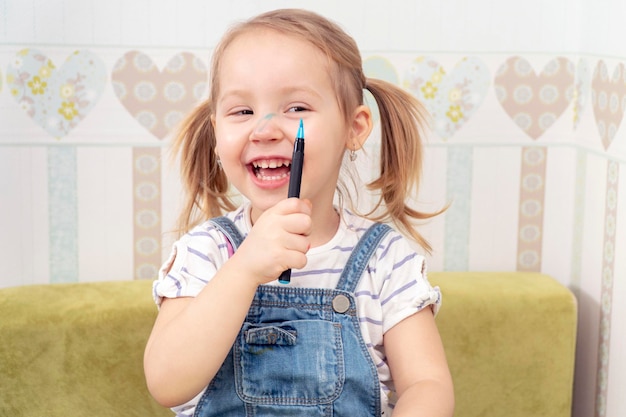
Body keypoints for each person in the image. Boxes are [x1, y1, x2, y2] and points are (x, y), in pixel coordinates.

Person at [144, 8, 454, 417]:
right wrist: (245, 269)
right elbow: (166, 382)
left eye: (296, 108)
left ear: (355, 128)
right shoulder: (207, 252)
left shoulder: (386, 261)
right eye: (242, 111)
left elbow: (426, 384)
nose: (266, 128)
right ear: (216, 131)